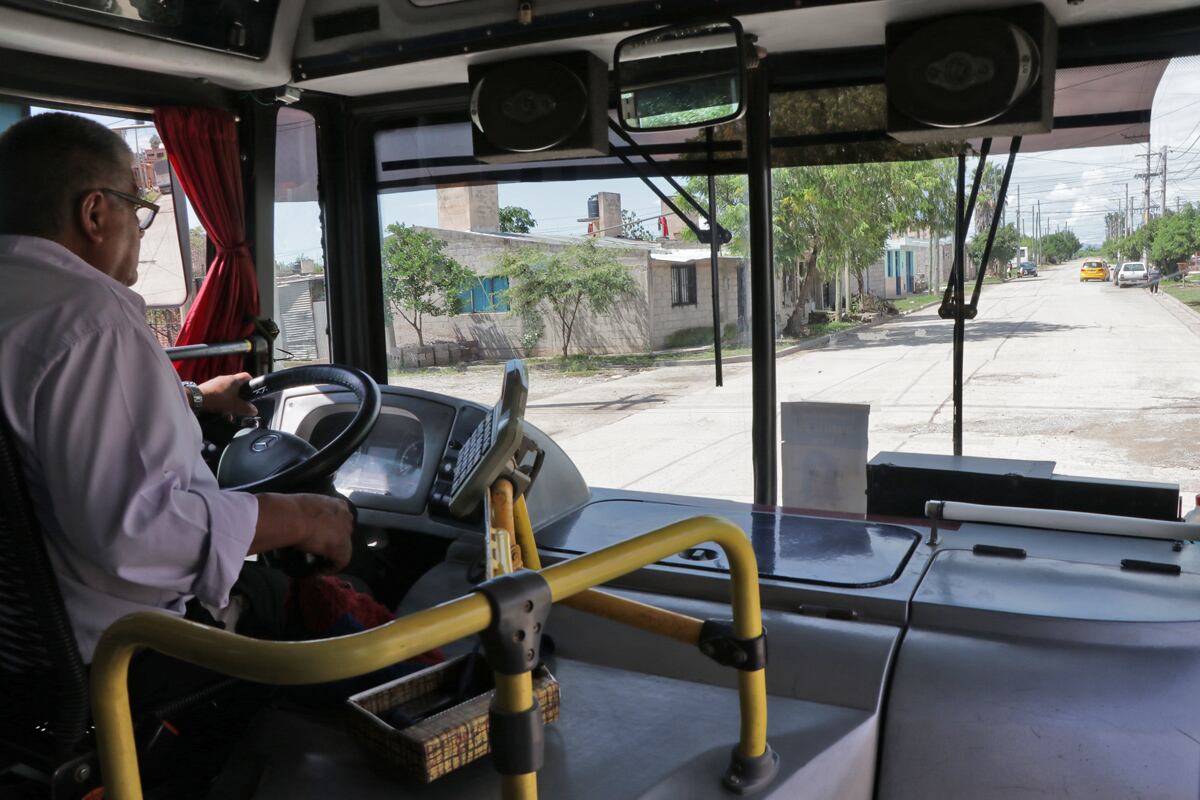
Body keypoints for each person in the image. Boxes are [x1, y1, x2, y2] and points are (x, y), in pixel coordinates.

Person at [0, 112, 354, 664]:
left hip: (21, 660)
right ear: (94, 212)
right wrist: (305, 516)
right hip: (120, 658)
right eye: (138, 210)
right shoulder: (92, 316)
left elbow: (42, 423)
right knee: (327, 618)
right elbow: (140, 535)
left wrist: (193, 399)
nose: (141, 232)